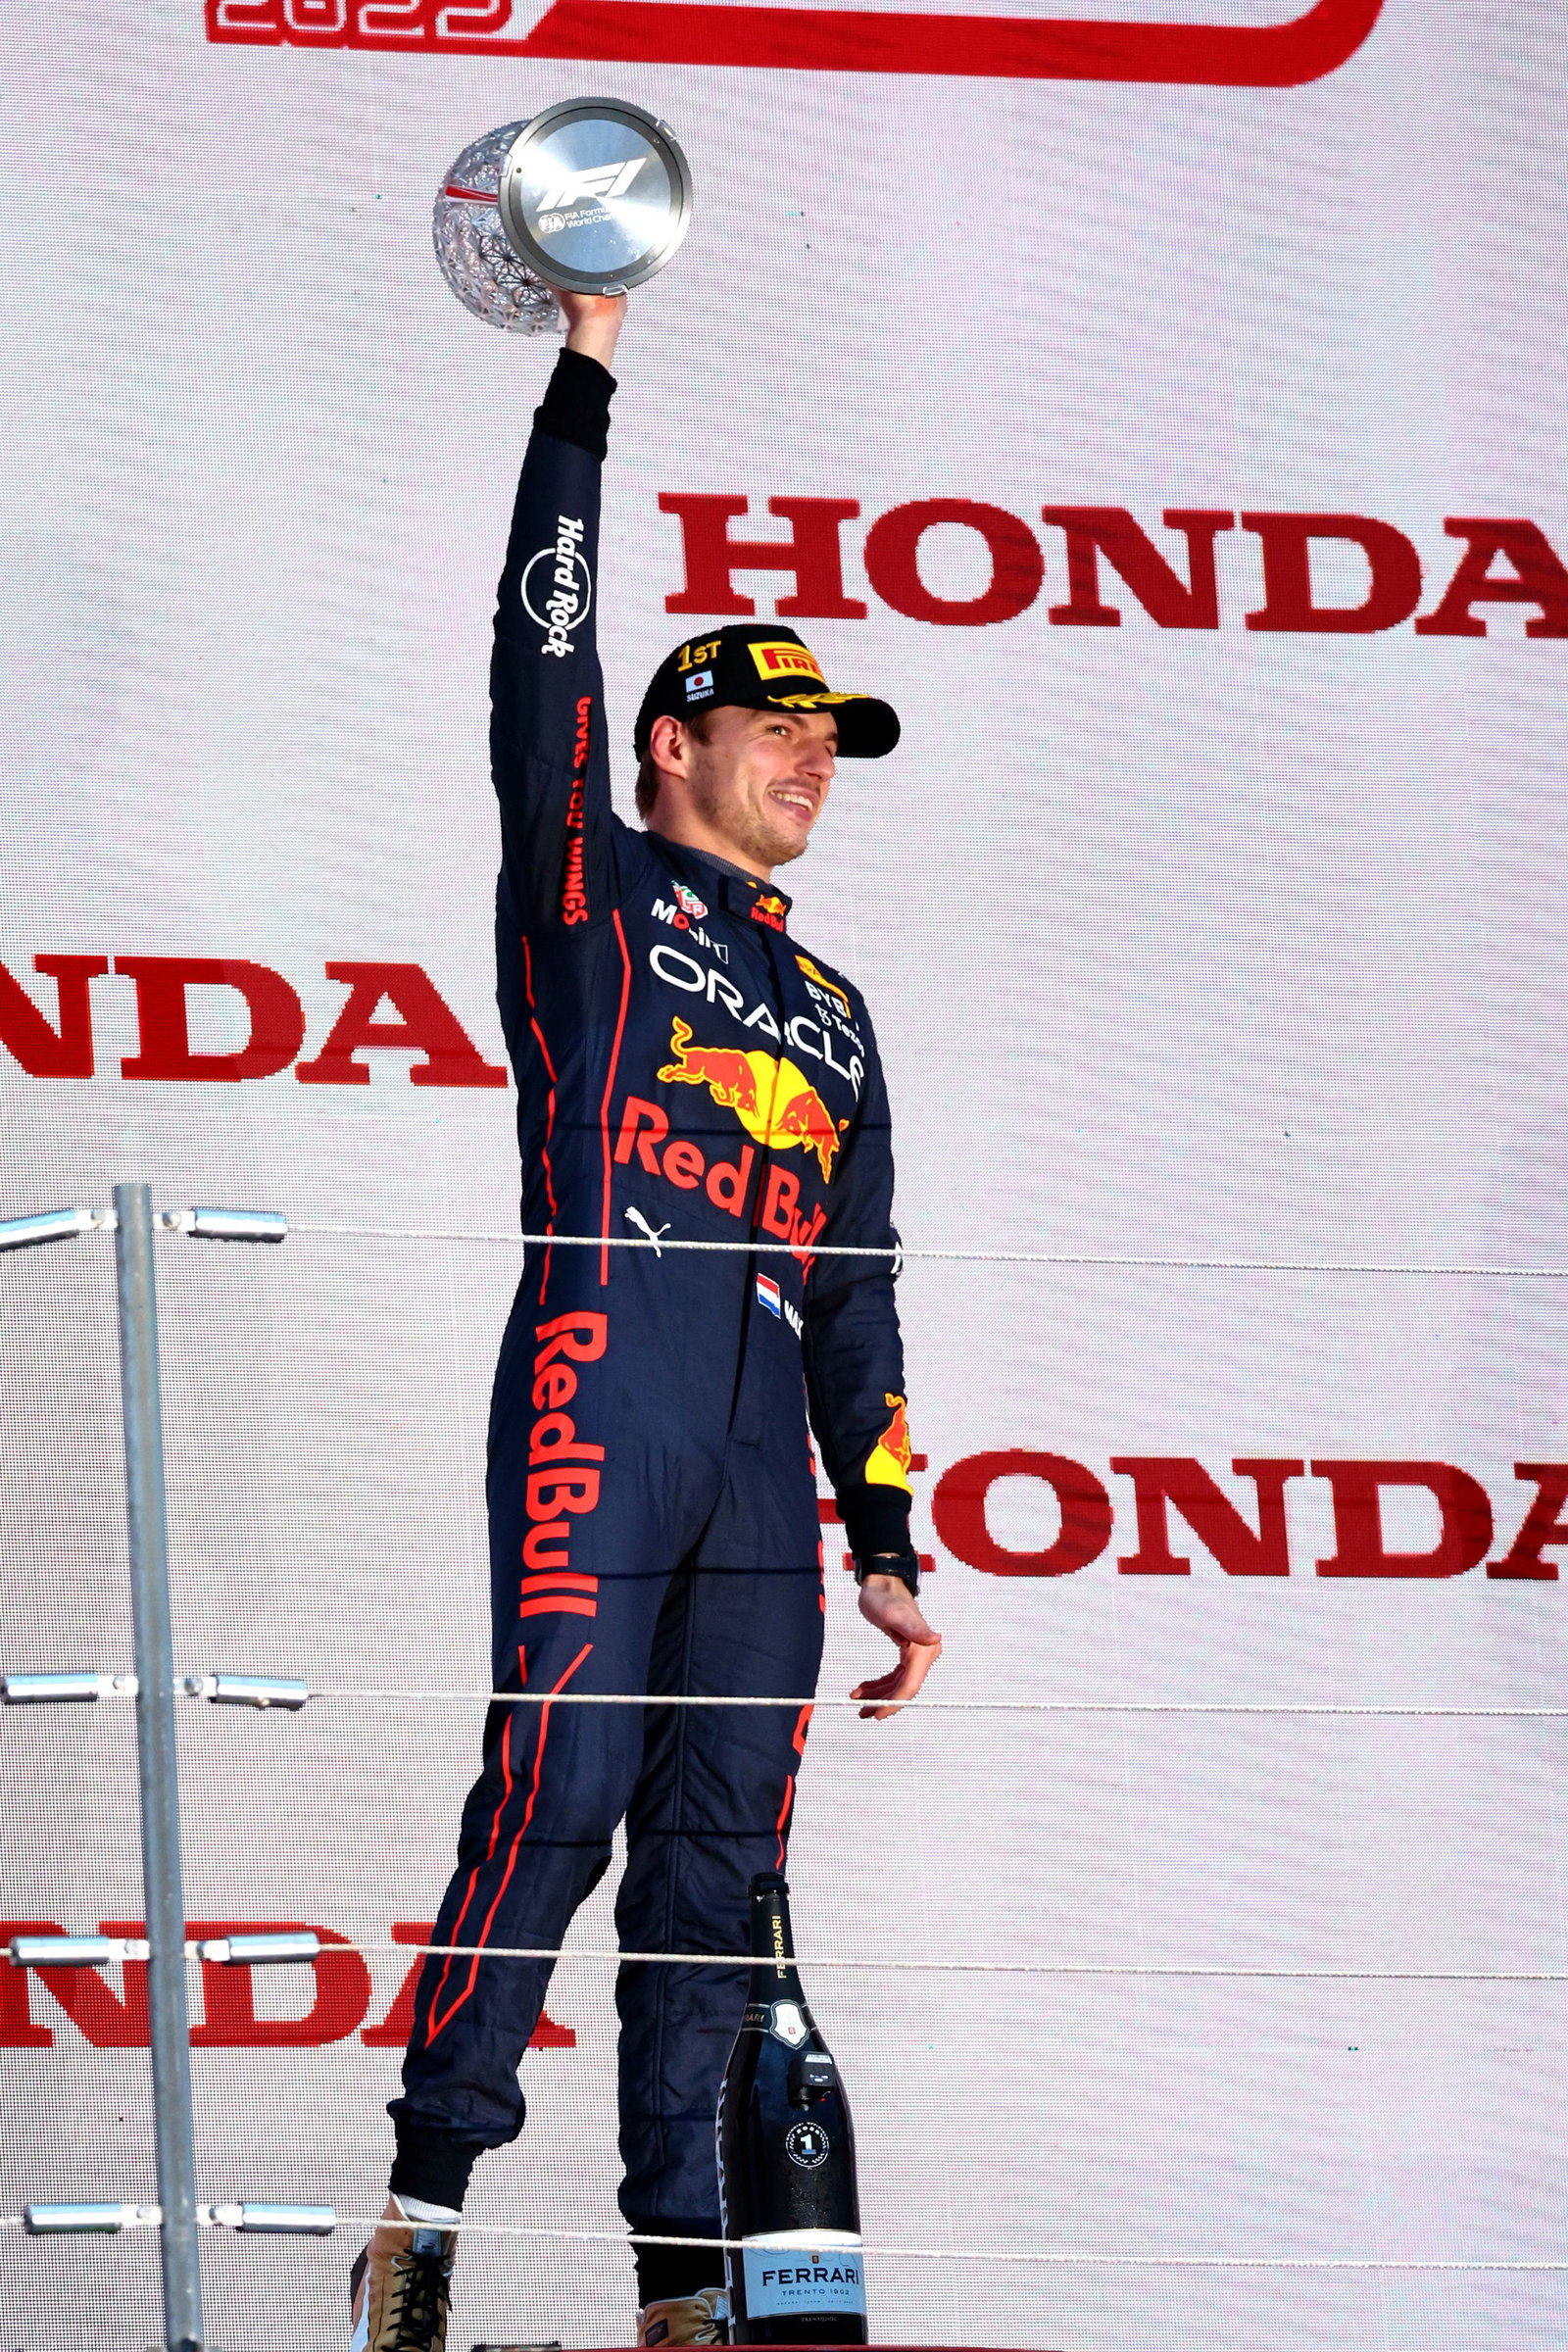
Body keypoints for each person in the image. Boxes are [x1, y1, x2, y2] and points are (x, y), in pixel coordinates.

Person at [351, 289, 941, 2352]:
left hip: (764, 1445)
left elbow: (857, 1295)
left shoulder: (840, 1015)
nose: (810, 756)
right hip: (603, 1362)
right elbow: (540, 651)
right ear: (669, 743)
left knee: (718, 1869)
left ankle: (684, 2290)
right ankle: (420, 2218)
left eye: (831, 739)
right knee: (559, 1791)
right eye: (773, 723)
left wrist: (884, 1540)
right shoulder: (583, 890)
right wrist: (583, 371)